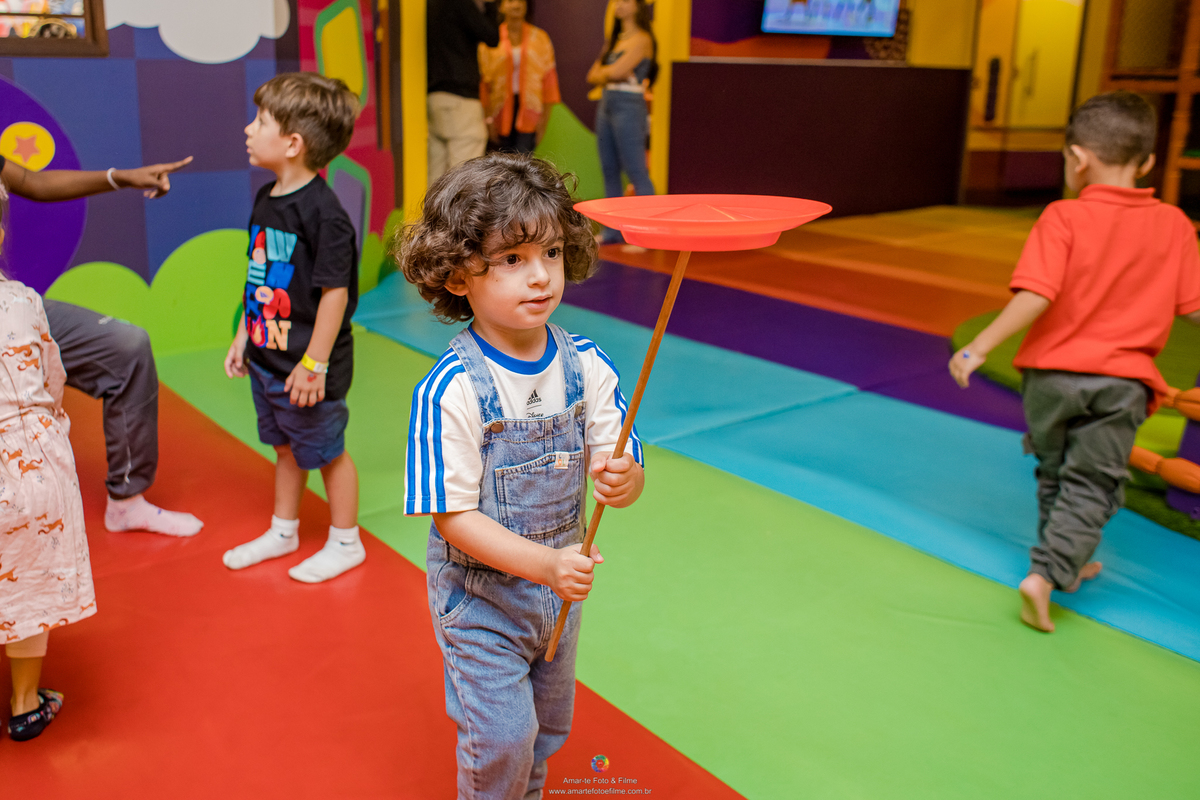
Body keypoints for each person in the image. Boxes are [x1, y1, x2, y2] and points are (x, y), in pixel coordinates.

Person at [399, 153, 646, 799]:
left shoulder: (587, 365)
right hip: (480, 599)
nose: (540, 275)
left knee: (545, 734)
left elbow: (622, 464)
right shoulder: (450, 390)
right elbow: (453, 518)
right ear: (458, 275)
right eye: (512, 258)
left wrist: (623, 480)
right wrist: (546, 566)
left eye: (552, 253)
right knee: (503, 739)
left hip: (558, 596)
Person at [949, 91, 1200, 632]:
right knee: (1093, 484)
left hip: (1049, 380)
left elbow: (1035, 294)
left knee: (1055, 471)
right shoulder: (1176, 225)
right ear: (1148, 162)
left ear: (1077, 159)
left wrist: (979, 347)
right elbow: (1194, 308)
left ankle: (1066, 559)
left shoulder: (1062, 215)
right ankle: (1047, 574)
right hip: (1119, 384)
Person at [0, 155, 204, 537]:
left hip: (10, 305)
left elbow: (31, 181)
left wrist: (120, 177)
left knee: (127, 348)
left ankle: (127, 503)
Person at [222, 73, 365, 584]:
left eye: (260, 121)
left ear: (293, 143)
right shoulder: (267, 198)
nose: (248, 128)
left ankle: (346, 542)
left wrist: (314, 364)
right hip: (268, 359)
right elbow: (259, 275)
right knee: (285, 447)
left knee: (327, 454)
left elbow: (335, 295)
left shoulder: (326, 216)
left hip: (307, 368)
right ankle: (283, 531)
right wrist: (244, 335)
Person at [0, 182, 95, 741]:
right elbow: (51, 380)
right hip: (33, 470)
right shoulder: (23, 300)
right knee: (28, 588)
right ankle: (25, 704)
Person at [586, 0, 657, 244]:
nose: (620, 5)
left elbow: (613, 72)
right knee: (609, 168)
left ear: (638, 6)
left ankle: (647, 233)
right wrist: (611, 73)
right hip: (607, 103)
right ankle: (612, 230)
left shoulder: (643, 39)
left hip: (629, 105)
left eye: (626, 0)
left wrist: (608, 73)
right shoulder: (614, 40)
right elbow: (592, 75)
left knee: (636, 170)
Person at [427, 0, 500, 186]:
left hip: (433, 97)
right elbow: (492, 36)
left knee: (436, 182)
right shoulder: (461, 3)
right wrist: (489, 5)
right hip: (461, 100)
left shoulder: (428, 5)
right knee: (465, 181)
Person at [478, 0, 561, 155]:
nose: (516, 5)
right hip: (499, 112)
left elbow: (549, 81)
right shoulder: (491, 37)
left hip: (530, 111)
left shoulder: (540, 38)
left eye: (520, 0)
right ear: (501, 6)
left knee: (523, 160)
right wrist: (487, 119)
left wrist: (543, 121)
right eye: (510, 1)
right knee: (501, 161)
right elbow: (484, 82)